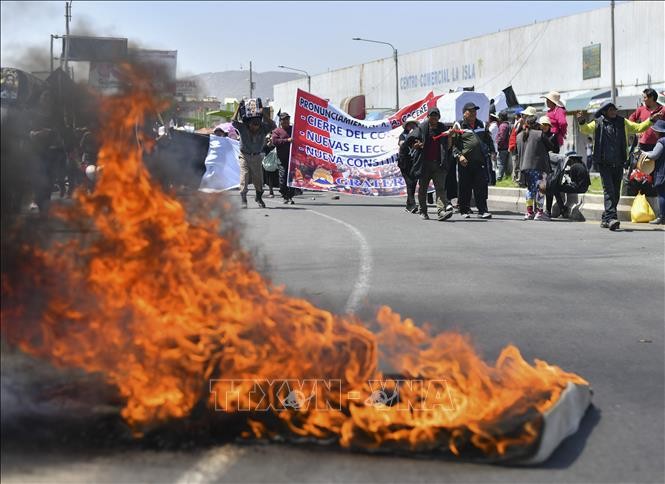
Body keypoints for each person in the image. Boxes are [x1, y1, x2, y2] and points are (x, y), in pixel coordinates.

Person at [577, 102, 660, 230]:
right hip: (604, 163)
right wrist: (582, 122)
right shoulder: (598, 123)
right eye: (611, 110)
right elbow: (586, 129)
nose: (614, 112)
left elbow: (638, 128)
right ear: (605, 112)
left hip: (619, 162)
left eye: (615, 109)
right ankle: (611, 218)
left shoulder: (623, 122)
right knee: (609, 191)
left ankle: (606, 218)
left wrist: (651, 120)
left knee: (615, 193)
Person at [450, 102, 495, 219]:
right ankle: (464, 210)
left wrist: (493, 151)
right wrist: (459, 156)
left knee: (480, 187)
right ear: (464, 113)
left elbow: (488, 139)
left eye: (475, 110)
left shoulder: (481, 124)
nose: (473, 113)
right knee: (465, 187)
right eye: (470, 111)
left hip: (480, 161)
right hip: (465, 162)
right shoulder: (458, 125)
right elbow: (453, 145)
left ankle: (482, 211)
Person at [411, 107, 453, 221]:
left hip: (439, 164)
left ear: (439, 117)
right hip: (424, 164)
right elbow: (412, 141)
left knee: (440, 189)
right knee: (423, 189)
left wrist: (449, 136)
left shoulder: (443, 128)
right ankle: (423, 211)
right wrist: (417, 145)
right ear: (428, 117)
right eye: (432, 115)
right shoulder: (422, 128)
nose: (434, 117)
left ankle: (441, 211)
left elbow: (448, 147)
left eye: (436, 115)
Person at [232, 103, 274, 209]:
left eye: (257, 124)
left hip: (256, 156)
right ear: (248, 124)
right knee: (244, 176)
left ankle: (259, 197)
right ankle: (243, 199)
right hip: (244, 156)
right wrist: (238, 107)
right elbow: (233, 121)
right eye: (253, 124)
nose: (255, 126)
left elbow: (273, 125)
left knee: (258, 179)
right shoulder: (242, 128)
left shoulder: (263, 129)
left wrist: (263, 113)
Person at [517, 115, 554, 220]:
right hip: (539, 166)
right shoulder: (539, 134)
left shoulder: (519, 136)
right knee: (540, 189)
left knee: (530, 189)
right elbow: (551, 146)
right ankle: (540, 213)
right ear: (537, 124)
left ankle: (529, 212)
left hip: (525, 167)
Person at [640, 119, 665, 224]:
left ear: (659, 131)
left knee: (662, 194)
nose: (654, 132)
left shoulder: (662, 141)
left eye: (655, 130)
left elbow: (654, 155)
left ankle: (662, 217)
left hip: (662, 171)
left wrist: (643, 153)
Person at [271, 112, 296, 204]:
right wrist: (287, 140)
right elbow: (275, 141)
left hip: (293, 158)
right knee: (283, 177)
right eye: (284, 120)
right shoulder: (277, 131)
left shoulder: (293, 129)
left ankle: (290, 196)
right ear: (280, 121)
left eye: (287, 119)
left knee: (293, 178)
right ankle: (284, 194)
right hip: (282, 158)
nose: (286, 121)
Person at [397, 117, 420, 213]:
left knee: (413, 183)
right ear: (406, 126)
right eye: (410, 124)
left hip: (414, 163)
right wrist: (409, 137)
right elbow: (402, 143)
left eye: (413, 124)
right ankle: (413, 204)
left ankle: (408, 205)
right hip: (404, 163)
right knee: (409, 183)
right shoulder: (403, 135)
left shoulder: (418, 136)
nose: (412, 126)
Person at [495, 110, 511, 181]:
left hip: (503, 147)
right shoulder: (507, 124)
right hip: (506, 147)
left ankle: (499, 178)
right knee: (504, 163)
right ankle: (505, 177)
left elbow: (501, 137)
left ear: (501, 118)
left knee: (500, 163)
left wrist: (498, 144)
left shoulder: (503, 126)